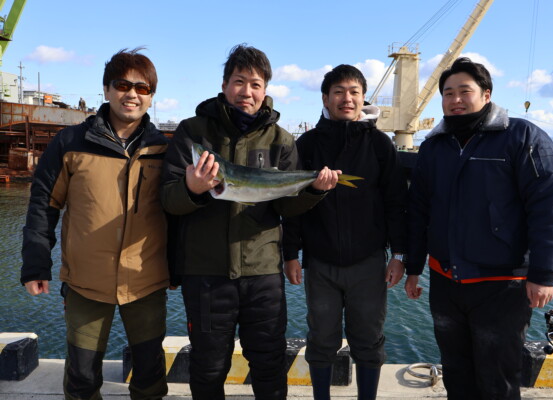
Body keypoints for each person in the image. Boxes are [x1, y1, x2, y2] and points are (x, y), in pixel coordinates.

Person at [160, 44, 339, 400]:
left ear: (265, 91)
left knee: (270, 364)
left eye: (256, 84)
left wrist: (314, 191)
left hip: (262, 275)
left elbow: (287, 208)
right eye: (239, 82)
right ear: (225, 85)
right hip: (206, 275)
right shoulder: (192, 133)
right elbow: (167, 200)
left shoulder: (280, 140)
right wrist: (192, 188)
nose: (247, 92)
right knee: (209, 366)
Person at [405, 57, 553, 399]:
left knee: (498, 378)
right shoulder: (434, 147)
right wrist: (413, 266)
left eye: (465, 91)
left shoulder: (523, 137)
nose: (455, 99)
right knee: (457, 373)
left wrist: (544, 274)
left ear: (487, 94)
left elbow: (549, 209)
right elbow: (419, 209)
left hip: (502, 285)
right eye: (448, 93)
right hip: (446, 282)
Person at [21, 48, 170, 400]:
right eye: (122, 84)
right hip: (86, 283)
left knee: (150, 378)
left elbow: (175, 212)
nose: (132, 94)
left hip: (146, 281)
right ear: (106, 90)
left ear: (151, 97)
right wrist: (35, 265)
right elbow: (44, 204)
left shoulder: (162, 149)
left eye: (142, 88)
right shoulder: (70, 142)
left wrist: (178, 271)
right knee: (82, 379)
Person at [282, 64, 408, 400]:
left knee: (368, 340)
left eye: (353, 92)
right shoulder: (307, 144)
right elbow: (293, 203)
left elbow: (396, 203)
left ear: (364, 98)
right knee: (321, 339)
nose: (346, 98)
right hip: (320, 262)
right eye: (338, 92)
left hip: (368, 262)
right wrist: (290, 254)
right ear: (326, 98)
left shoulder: (381, 145)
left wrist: (398, 255)